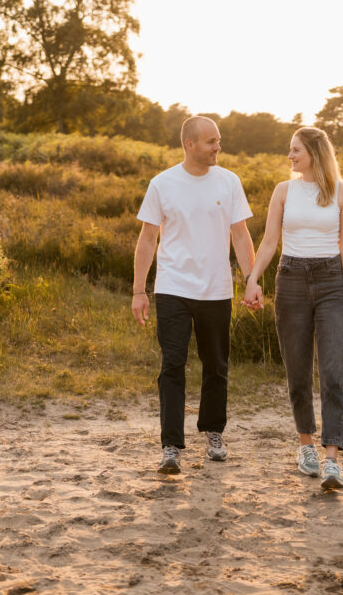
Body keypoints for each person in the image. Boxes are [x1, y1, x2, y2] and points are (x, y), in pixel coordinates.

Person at [132, 116, 256, 475]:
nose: (218, 147)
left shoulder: (229, 181)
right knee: (172, 366)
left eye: (219, 140)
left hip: (216, 289)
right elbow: (147, 239)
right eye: (211, 142)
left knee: (216, 365)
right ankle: (171, 445)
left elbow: (240, 234)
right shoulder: (163, 184)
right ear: (190, 144)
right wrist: (140, 290)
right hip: (172, 288)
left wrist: (251, 278)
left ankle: (213, 433)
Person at [243, 126, 343, 491]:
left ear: (314, 152)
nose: (290, 156)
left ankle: (332, 461)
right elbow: (270, 240)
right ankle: (305, 446)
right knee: (297, 370)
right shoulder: (283, 191)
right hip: (291, 278)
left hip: (330, 283)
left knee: (333, 371)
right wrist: (252, 278)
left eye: (295, 150)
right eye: (289, 150)